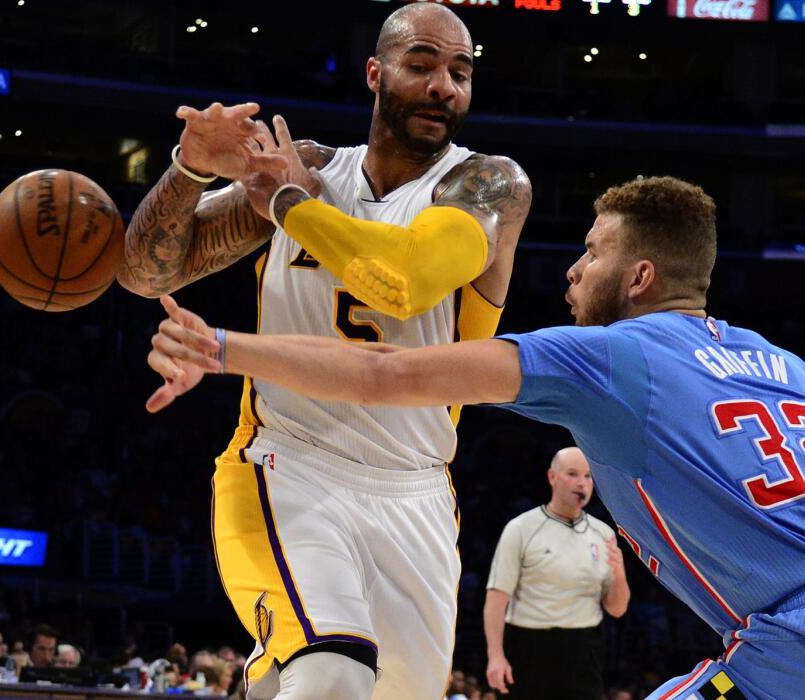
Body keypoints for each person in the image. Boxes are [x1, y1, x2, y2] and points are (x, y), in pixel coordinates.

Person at [147, 175, 805, 699]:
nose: (572, 269)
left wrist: (219, 349)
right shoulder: (783, 361)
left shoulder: (610, 357)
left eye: (592, 250)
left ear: (640, 277)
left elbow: (388, 375)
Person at [118, 2, 531, 698]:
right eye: (422, 64)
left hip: (418, 492)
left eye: (460, 73)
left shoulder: (487, 185)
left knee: (326, 683)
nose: (443, 87)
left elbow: (401, 279)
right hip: (289, 464)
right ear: (375, 73)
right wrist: (189, 169)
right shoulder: (307, 167)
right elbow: (147, 274)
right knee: (333, 670)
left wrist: (288, 204)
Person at [484, 447, 629, 699]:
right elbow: (497, 598)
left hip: (584, 650)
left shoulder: (603, 534)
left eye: (587, 476)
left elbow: (617, 609)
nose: (581, 483)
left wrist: (619, 574)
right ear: (552, 477)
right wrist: (495, 655)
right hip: (528, 647)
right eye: (572, 474)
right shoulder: (521, 528)